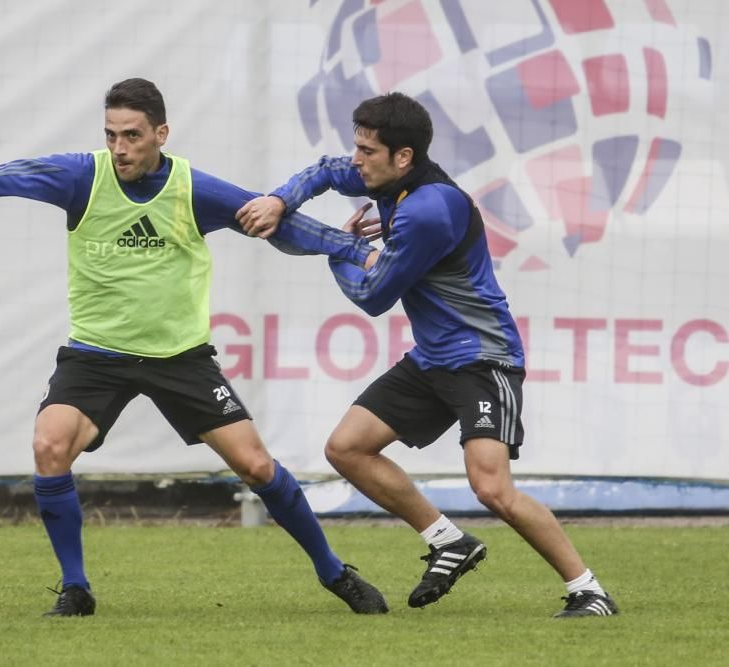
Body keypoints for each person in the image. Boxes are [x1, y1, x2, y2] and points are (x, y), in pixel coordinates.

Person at [0, 78, 388, 617]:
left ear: (161, 134)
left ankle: (334, 573)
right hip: (97, 356)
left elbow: (276, 223)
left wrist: (353, 249)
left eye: (133, 136)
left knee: (256, 467)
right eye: (112, 135)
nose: (120, 148)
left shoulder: (193, 188)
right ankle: (76, 588)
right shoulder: (80, 176)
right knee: (49, 447)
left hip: (179, 357)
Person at [236, 91, 619, 618]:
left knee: (491, 488)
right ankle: (449, 541)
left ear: (404, 157)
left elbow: (372, 296)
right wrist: (280, 200)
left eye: (367, 150)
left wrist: (340, 248)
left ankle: (589, 590)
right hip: (434, 358)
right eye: (358, 146)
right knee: (347, 448)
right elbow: (326, 170)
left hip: (484, 360)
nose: (356, 159)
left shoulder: (429, 210)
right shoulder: (384, 176)